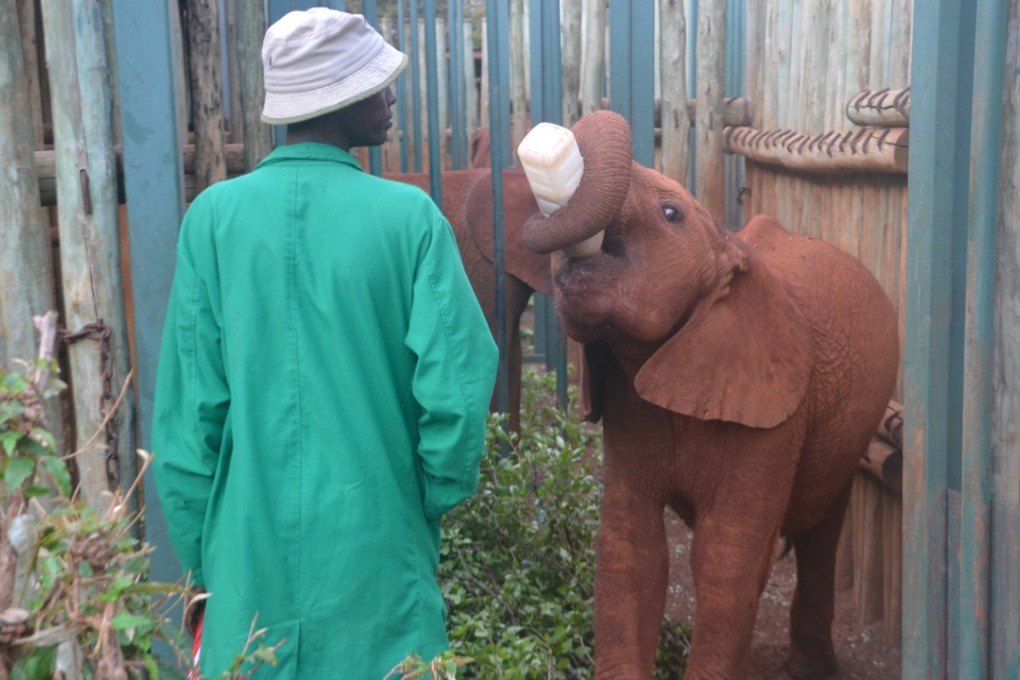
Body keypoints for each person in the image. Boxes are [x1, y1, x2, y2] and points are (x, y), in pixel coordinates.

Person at [151, 8, 498, 677]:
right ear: (340, 97)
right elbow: (455, 391)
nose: (391, 94)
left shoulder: (211, 223)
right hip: (376, 550)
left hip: (246, 554)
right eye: (376, 82)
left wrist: (207, 552)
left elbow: (191, 420)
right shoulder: (411, 220)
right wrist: (422, 499)